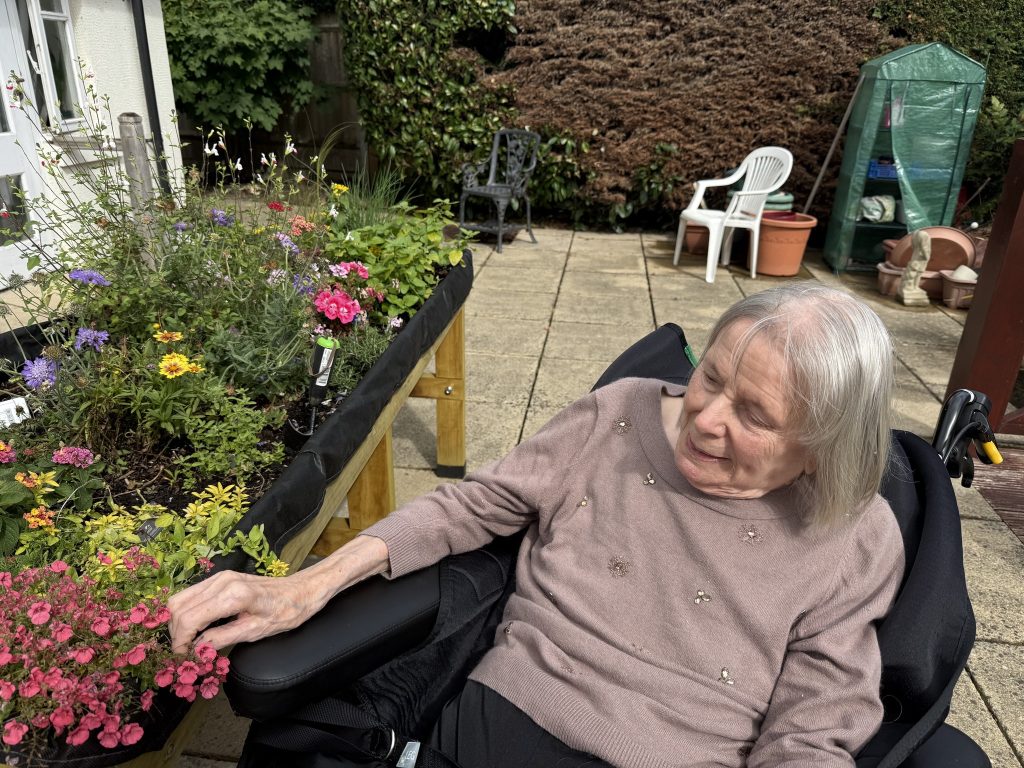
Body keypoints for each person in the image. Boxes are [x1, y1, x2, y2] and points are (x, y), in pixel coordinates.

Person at [169, 282, 905, 768]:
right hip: (500, 725)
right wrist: (305, 586)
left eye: (754, 415)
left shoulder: (853, 536)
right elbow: (472, 503)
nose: (704, 420)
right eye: (710, 378)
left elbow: (817, 722)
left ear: (820, 449)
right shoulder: (618, 414)